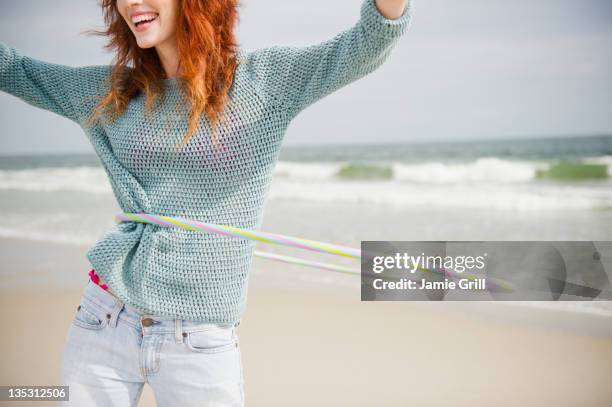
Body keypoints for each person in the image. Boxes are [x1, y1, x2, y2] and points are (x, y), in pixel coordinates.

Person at [0, 0, 411, 405]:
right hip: (105, 318)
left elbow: (365, 45)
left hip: (198, 338)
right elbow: (13, 69)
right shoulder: (112, 93)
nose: (131, 3)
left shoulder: (262, 83)